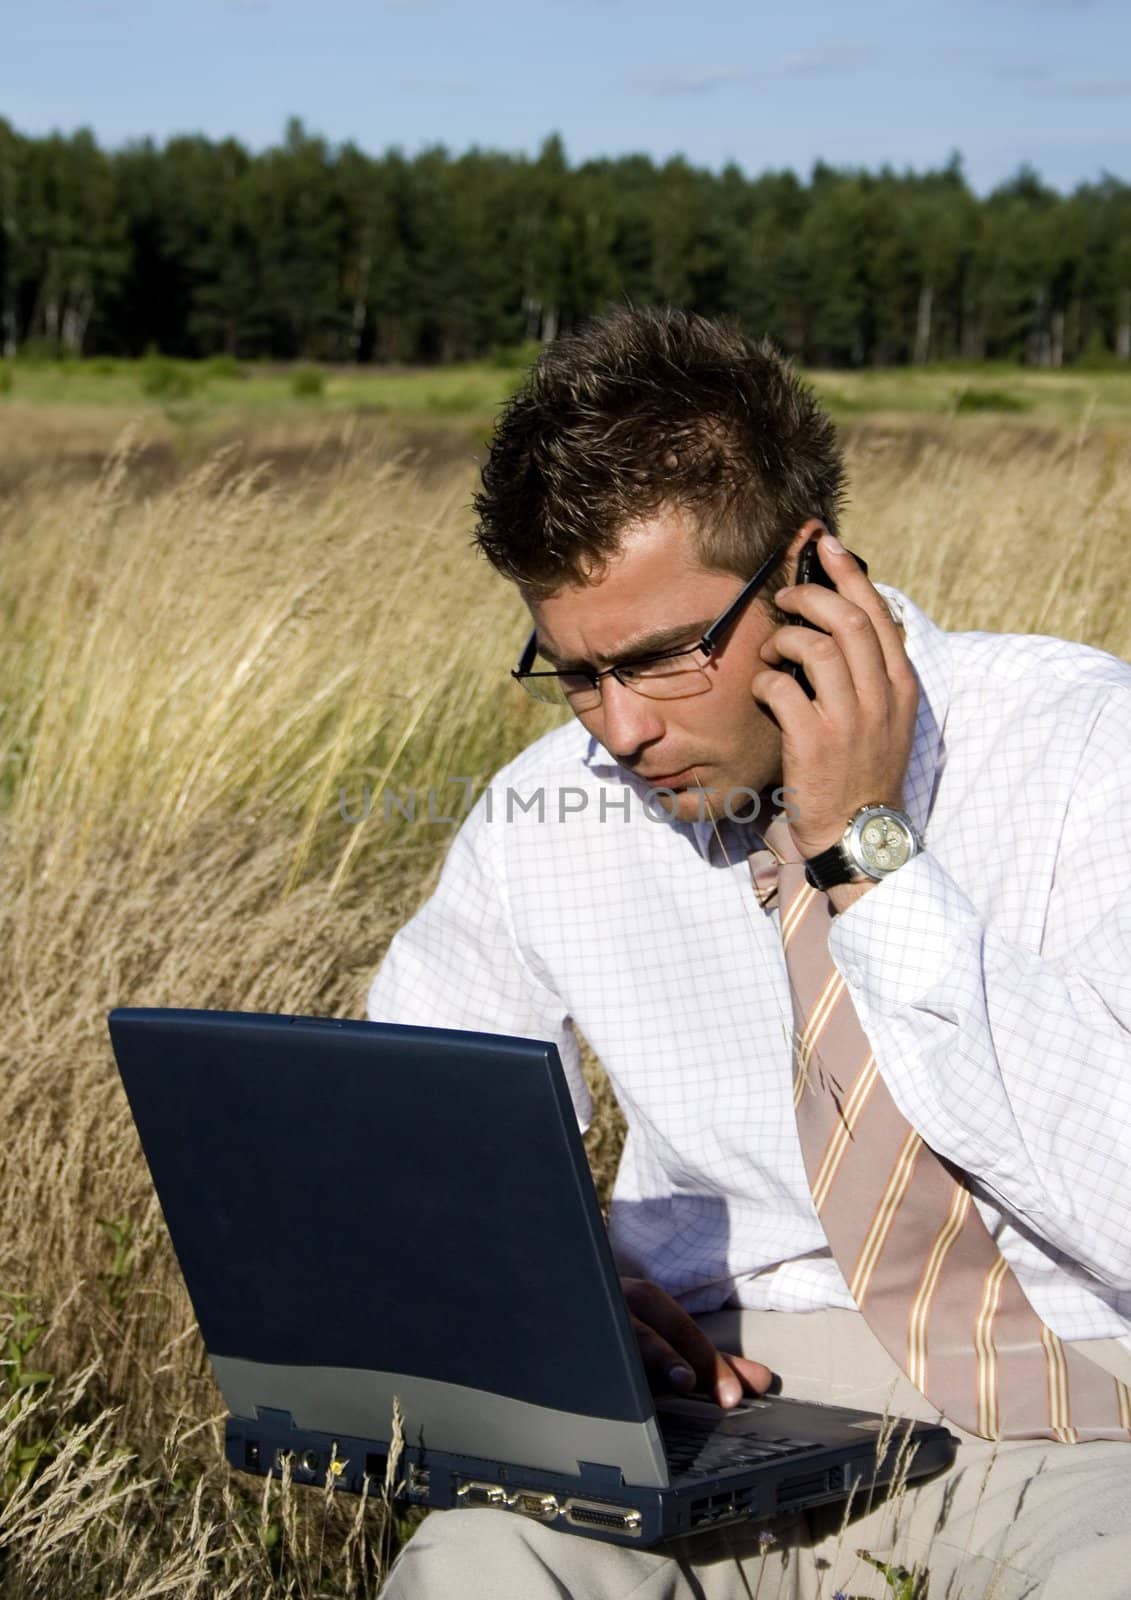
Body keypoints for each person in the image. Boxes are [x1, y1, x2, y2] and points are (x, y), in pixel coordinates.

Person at [367, 307, 1131, 1599]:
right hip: (717, 1406)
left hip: (1078, 1405)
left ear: (812, 575)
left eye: (663, 659)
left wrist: (868, 858)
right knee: (471, 1571)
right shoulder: (536, 821)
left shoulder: (1079, 749)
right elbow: (408, 1153)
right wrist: (546, 1294)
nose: (619, 729)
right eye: (574, 671)